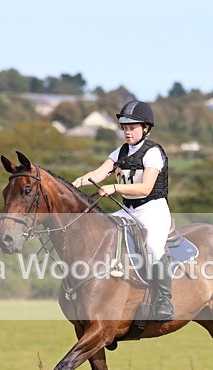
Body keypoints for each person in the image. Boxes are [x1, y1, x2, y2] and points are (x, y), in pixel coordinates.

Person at [73, 100, 174, 322]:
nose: (127, 133)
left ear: (145, 128)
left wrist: (115, 187)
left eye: (132, 128)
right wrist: (73, 185)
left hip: (152, 210)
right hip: (127, 210)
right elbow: (98, 174)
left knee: (152, 248)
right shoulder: (121, 151)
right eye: (125, 128)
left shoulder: (153, 152)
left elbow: (145, 188)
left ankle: (165, 300)